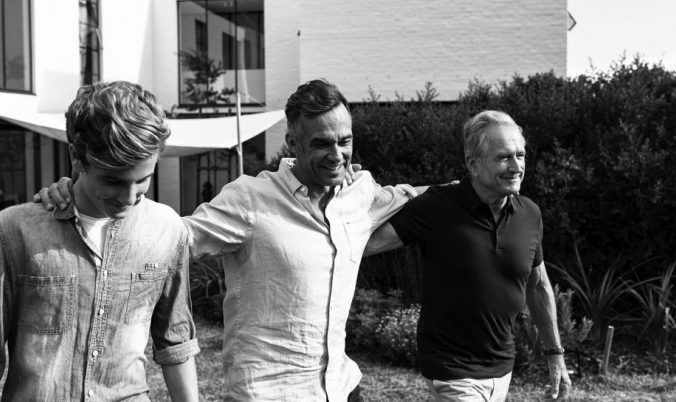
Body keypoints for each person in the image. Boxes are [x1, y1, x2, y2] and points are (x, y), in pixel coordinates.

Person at [36, 79, 422, 401]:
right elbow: (170, 238)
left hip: (342, 387)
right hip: (270, 393)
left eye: (344, 141)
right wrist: (80, 193)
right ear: (293, 143)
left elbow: (425, 199)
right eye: (322, 143)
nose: (337, 154)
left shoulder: (360, 193)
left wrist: (461, 188)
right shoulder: (250, 199)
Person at [0, 81, 200, 401]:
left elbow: (176, 344)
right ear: (76, 156)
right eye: (113, 180)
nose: (129, 197)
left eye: (143, 179)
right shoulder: (14, 231)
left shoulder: (167, 229)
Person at [366, 110, 571, 401]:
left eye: (520, 155)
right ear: (473, 164)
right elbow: (368, 244)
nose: (516, 166)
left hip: (502, 367)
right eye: (504, 157)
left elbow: (537, 286)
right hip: (451, 368)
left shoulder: (529, 213)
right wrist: (410, 192)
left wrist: (555, 353)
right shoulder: (437, 207)